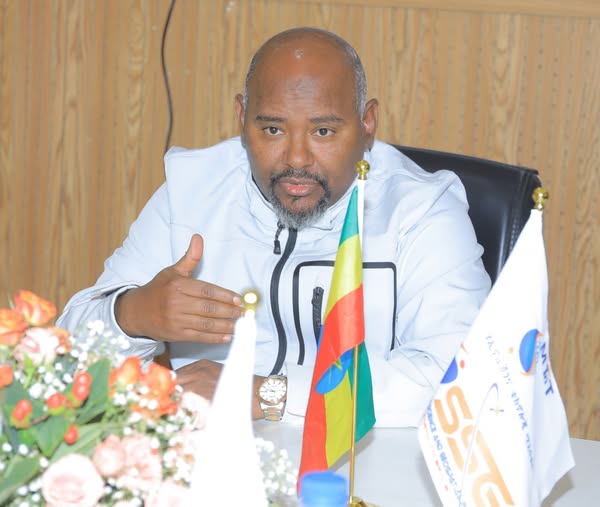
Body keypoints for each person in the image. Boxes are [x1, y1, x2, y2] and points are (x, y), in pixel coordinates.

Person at [57, 27, 490, 427]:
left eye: (323, 131)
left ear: (367, 123)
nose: (297, 158)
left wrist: (268, 394)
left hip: (364, 462)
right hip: (211, 459)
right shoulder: (191, 191)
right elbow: (67, 358)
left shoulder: (421, 211)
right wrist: (132, 315)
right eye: (272, 129)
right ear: (241, 117)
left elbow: (463, 378)